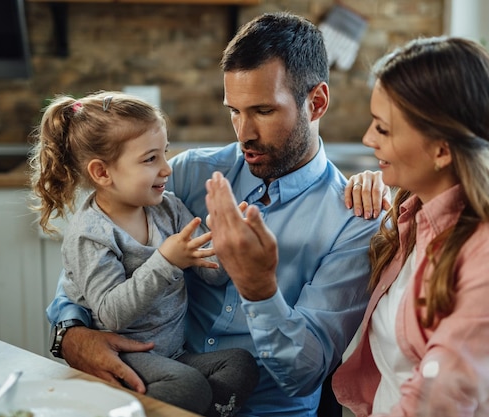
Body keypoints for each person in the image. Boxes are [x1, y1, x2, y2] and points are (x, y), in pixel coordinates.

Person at [46, 12, 387, 416]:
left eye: (262, 111)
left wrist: (260, 289)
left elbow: (304, 376)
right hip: (162, 386)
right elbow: (93, 257)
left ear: (316, 103)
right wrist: (70, 332)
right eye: (234, 111)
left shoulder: (353, 219)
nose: (243, 133)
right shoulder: (190, 173)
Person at [331, 36, 489, 417]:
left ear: (442, 150)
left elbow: (437, 402)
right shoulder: (415, 213)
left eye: (383, 129)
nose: (367, 139)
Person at [29, 91, 259, 416]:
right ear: (102, 173)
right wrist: (166, 261)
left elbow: (211, 272)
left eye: (164, 153)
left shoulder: (168, 208)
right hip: (124, 355)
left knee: (240, 364)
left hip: (173, 354)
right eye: (151, 159)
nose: (167, 169)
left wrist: (226, 240)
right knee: (189, 386)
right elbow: (111, 314)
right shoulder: (90, 234)